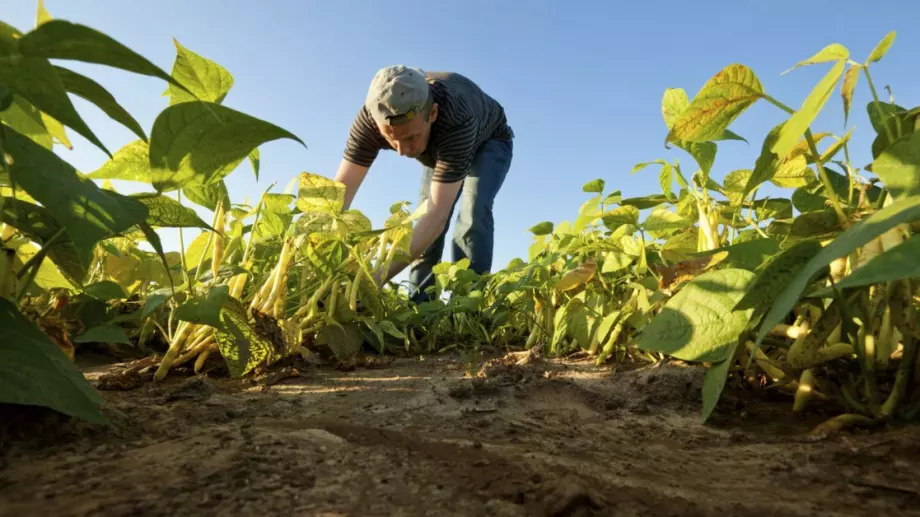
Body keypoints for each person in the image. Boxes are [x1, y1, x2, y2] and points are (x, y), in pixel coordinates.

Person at [333, 65, 514, 303]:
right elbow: (338, 196)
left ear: (433, 113)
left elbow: (436, 216)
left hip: (489, 140)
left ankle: (468, 306)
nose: (403, 151)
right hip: (436, 146)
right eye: (391, 139)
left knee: (473, 209)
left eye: (411, 137)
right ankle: (420, 308)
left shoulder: (456, 117)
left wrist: (374, 279)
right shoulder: (369, 120)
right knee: (422, 221)